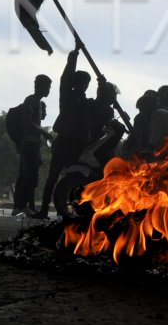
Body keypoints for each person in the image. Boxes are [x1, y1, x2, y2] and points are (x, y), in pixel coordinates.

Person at [36, 47, 113, 217]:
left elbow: (104, 100)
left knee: (76, 177)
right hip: (64, 142)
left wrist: (102, 83)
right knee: (53, 176)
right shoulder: (67, 96)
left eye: (86, 83)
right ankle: (43, 210)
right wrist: (74, 56)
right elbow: (66, 77)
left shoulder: (88, 103)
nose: (83, 86)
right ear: (75, 83)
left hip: (80, 145)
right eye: (81, 82)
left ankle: (74, 208)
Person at [12, 74, 52, 217]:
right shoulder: (30, 101)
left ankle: (26, 205)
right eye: (48, 87)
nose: (49, 90)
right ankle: (20, 206)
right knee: (27, 175)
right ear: (40, 86)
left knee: (30, 176)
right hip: (28, 143)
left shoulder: (39, 103)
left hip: (34, 144)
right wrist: (45, 134)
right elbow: (28, 122)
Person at [117, 90, 168, 161]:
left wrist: (146, 152)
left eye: (142, 109)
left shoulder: (158, 114)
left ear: (148, 107)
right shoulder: (161, 113)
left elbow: (156, 138)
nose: (141, 113)